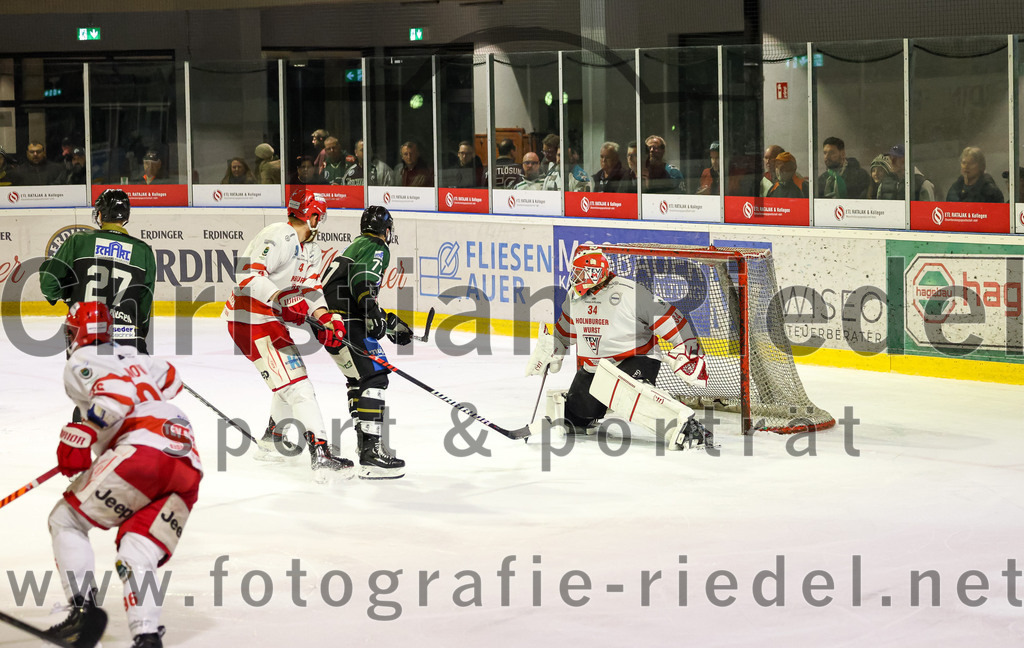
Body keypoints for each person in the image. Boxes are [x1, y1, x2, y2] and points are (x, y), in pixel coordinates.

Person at [44, 301, 202, 648]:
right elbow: (171, 377)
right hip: (186, 460)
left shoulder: (80, 359)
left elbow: (117, 392)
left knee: (66, 519)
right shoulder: (135, 354)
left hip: (142, 451)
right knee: (135, 551)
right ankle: (145, 636)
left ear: (77, 334)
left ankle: (82, 615)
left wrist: (87, 431)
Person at [524, 245, 714, 451]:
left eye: (579, 273)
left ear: (594, 273)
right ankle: (586, 412)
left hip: (636, 359)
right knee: (575, 417)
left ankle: (686, 426)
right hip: (596, 368)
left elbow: (671, 319)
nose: (575, 278)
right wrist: (553, 347)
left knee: (624, 390)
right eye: (575, 273)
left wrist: (688, 349)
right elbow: (565, 333)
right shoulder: (574, 296)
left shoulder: (630, 292)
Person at [223, 188, 352, 475]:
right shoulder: (279, 234)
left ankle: (272, 440)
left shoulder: (312, 250)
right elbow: (245, 274)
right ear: (314, 216)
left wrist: (326, 318)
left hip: (268, 320)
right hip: (248, 318)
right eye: (320, 216)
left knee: (288, 381)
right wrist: (280, 296)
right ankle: (321, 452)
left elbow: (312, 290)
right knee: (299, 386)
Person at [317, 205, 409, 479]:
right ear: (386, 230)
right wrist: (373, 314)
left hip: (329, 324)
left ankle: (364, 446)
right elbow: (362, 282)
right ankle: (370, 455)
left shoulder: (354, 245)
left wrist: (386, 320)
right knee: (376, 376)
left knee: (358, 379)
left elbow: (350, 286)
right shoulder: (376, 245)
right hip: (346, 320)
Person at [40, 189, 156, 353]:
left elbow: (48, 283)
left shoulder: (78, 241)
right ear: (125, 216)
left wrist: (66, 294)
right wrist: (139, 334)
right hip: (129, 338)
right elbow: (145, 304)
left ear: (100, 215)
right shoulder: (143, 251)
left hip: (85, 335)